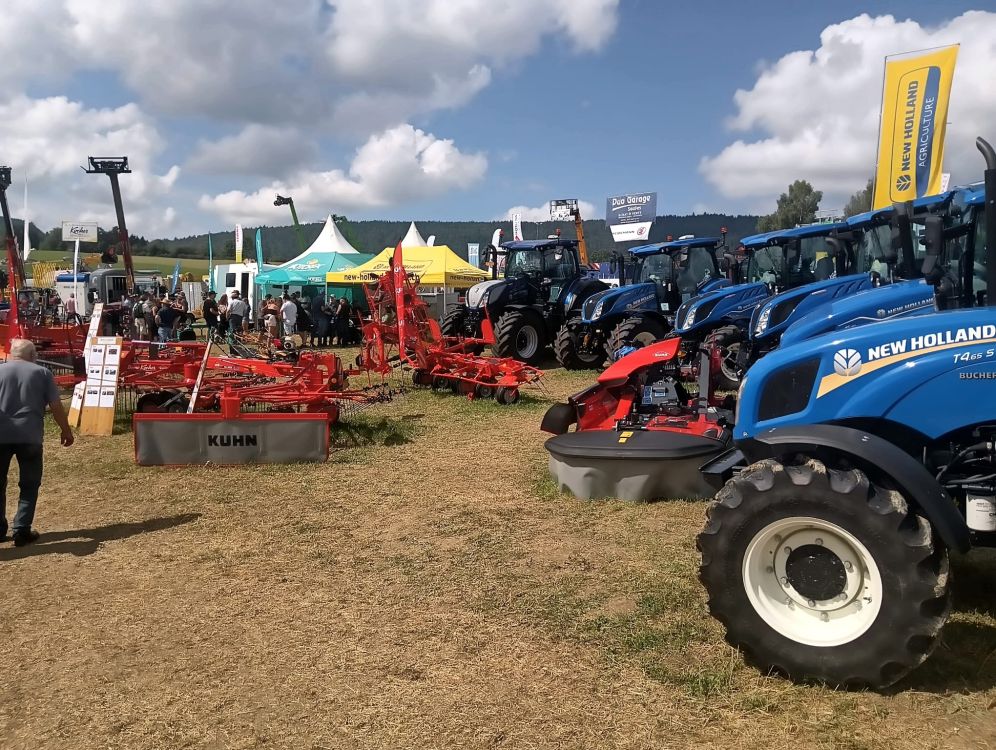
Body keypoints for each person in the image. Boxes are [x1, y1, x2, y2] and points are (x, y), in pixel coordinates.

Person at [0, 339, 74, 547]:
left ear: (11, 353)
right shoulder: (42, 373)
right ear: (32, 355)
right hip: (30, 435)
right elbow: (56, 405)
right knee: (29, 484)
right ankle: (22, 529)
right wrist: (66, 430)